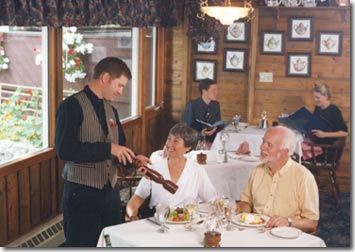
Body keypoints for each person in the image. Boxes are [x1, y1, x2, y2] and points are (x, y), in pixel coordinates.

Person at [55, 57, 149, 247]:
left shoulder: (111, 110)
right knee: (82, 244)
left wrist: (134, 159)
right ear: (105, 77)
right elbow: (65, 149)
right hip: (81, 193)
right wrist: (109, 149)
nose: (121, 91)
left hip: (110, 194)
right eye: (119, 85)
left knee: (109, 243)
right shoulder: (71, 106)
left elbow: (119, 146)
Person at [125, 123, 217, 221]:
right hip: (157, 222)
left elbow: (212, 200)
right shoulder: (154, 168)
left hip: (186, 224)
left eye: (175, 141)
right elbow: (137, 198)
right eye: (169, 139)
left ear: (188, 148)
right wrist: (132, 215)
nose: (169, 144)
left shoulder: (197, 170)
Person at [236, 126, 319, 234]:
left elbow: (312, 223)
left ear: (285, 152)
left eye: (269, 145)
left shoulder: (303, 177)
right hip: (256, 232)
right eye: (263, 142)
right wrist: (244, 215)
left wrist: (288, 222)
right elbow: (246, 202)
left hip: (286, 237)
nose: (262, 147)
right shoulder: (258, 170)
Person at [183, 78, 223, 145]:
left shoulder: (216, 105)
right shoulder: (192, 105)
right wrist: (201, 133)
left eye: (217, 90)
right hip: (194, 141)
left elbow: (217, 123)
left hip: (213, 140)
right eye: (213, 90)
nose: (216, 93)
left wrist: (215, 129)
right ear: (204, 91)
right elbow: (187, 128)